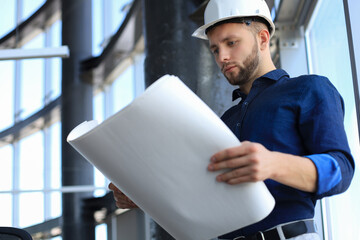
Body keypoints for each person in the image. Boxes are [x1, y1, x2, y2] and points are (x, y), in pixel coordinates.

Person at [109, 0, 355, 239]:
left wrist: (273, 164)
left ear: (262, 38)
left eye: (231, 43)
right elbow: (201, 193)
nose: (222, 57)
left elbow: (341, 168)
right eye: (215, 49)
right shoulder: (225, 120)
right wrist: (143, 197)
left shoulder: (309, 89)